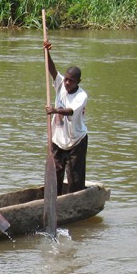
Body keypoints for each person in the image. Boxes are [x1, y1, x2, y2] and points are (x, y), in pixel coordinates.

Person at [44, 39, 89, 194]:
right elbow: (52, 70)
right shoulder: (61, 84)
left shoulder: (81, 96)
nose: (67, 82)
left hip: (76, 140)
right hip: (58, 138)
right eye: (67, 79)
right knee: (55, 172)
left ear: (78, 82)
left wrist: (54, 110)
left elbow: (70, 111)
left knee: (75, 178)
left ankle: (74, 200)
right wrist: (47, 52)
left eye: (71, 80)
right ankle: (53, 198)